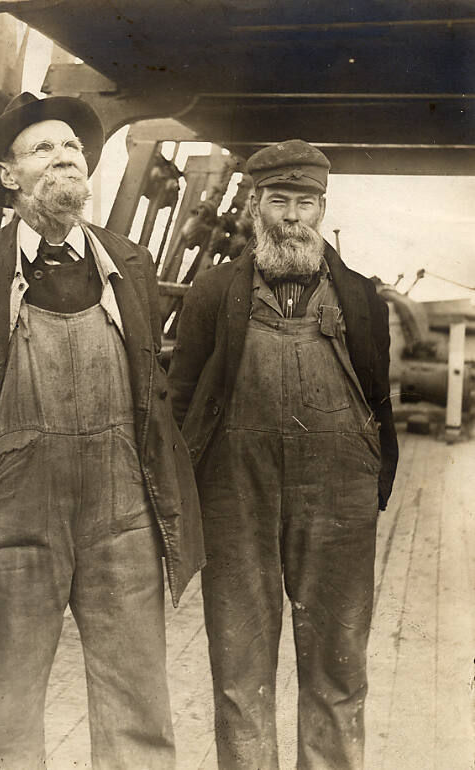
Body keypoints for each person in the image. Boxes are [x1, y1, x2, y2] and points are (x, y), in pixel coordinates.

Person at [0, 92, 204, 770]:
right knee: (6, 703)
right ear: (9, 177)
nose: (63, 159)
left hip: (123, 517)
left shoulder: (128, 264)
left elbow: (148, 382)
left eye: (72, 150)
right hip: (14, 521)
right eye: (43, 150)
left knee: (139, 701)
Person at [168, 140, 398, 770]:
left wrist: (373, 478)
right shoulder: (213, 293)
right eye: (278, 200)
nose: (291, 215)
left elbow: (377, 394)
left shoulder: (360, 298)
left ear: (322, 208)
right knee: (240, 663)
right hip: (235, 491)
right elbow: (184, 395)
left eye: (304, 202)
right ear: (256, 207)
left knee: (338, 661)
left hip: (339, 494)